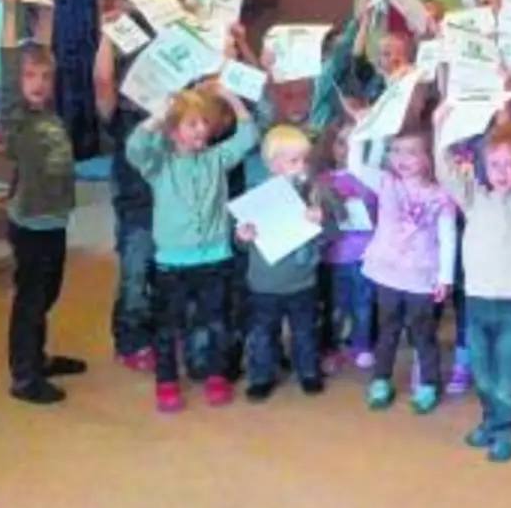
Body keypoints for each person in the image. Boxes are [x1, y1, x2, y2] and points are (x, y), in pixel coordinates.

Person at [126, 81, 259, 412]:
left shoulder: (215, 159)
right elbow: (135, 148)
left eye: (204, 122)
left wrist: (229, 96)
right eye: (192, 123)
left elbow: (248, 136)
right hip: (171, 263)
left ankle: (216, 375)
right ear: (174, 133)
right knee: (168, 326)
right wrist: (158, 117)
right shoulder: (160, 165)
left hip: (214, 258)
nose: (202, 129)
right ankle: (167, 380)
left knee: (216, 321)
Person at [434, 110, 511, 462]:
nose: (501, 172)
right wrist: (440, 128)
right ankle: (492, 417)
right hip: (478, 300)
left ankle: (506, 426)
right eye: (494, 164)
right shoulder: (474, 199)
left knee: (509, 372)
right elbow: (446, 173)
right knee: (483, 372)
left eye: (510, 164)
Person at [0, 0, 82, 405]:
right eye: (29, 77)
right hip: (31, 224)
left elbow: (44, 53)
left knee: (48, 293)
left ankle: (37, 356)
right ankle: (24, 375)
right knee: (32, 298)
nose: (38, 83)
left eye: (45, 77)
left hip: (55, 221)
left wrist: (47, 12)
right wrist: (12, 10)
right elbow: (9, 61)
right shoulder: (16, 117)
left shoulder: (48, 112)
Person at [348, 125, 457, 414]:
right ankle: (381, 378)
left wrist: (445, 277)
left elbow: (448, 237)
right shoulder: (386, 182)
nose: (401, 158)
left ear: (428, 157)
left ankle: (429, 383)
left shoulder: (440, 195)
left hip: (421, 275)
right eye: (395, 150)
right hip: (388, 272)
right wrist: (362, 129)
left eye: (411, 152)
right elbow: (355, 166)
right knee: (387, 330)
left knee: (423, 332)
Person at [234, 124, 336, 400]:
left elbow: (331, 235)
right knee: (262, 333)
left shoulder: (314, 193)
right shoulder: (256, 196)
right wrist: (243, 236)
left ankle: (308, 372)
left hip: (303, 280)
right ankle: (261, 376)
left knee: (305, 331)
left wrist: (321, 220)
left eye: (304, 160)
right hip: (264, 282)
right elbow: (239, 242)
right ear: (272, 164)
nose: (301, 167)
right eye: (293, 161)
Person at [93, 2, 155, 374]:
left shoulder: (166, 110)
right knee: (136, 271)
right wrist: (107, 34)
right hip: (135, 204)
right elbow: (102, 82)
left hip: (169, 204)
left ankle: (156, 333)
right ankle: (130, 340)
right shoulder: (122, 115)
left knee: (162, 272)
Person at [317, 116, 379, 370]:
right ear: (331, 146)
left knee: (363, 304)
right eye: (342, 143)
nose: (348, 149)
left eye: (355, 143)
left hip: (365, 254)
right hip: (334, 255)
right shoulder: (324, 180)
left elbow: (378, 210)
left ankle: (361, 345)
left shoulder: (370, 177)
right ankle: (331, 349)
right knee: (335, 306)